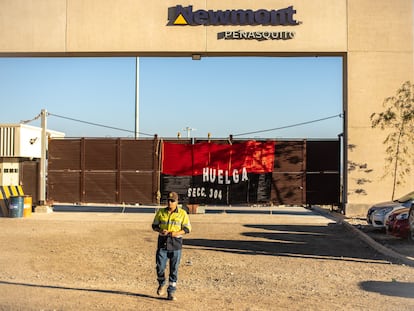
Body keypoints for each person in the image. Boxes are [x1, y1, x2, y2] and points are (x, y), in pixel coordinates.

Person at [152, 191, 191, 301]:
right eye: (168, 201)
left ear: (177, 202)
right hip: (163, 243)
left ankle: (171, 292)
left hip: (175, 244)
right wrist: (160, 230)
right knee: (160, 267)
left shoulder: (183, 213)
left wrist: (177, 233)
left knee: (174, 270)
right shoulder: (161, 212)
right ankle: (161, 283)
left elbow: (188, 229)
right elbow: (154, 225)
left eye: (172, 201)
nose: (170, 203)